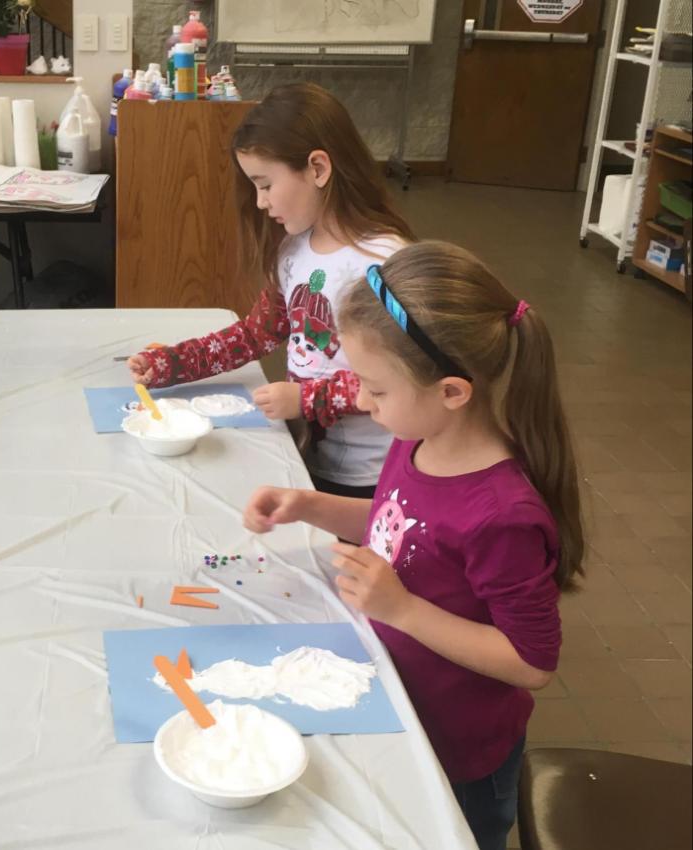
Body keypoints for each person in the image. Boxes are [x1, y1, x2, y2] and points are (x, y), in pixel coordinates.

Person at [243, 241, 584, 850]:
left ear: (452, 391)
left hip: (459, 755)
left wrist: (401, 609)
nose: (361, 404)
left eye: (373, 390)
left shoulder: (501, 516)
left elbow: (533, 662)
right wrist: (312, 506)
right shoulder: (418, 437)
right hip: (398, 702)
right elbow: (396, 521)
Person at [129, 82, 415, 499]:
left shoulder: (383, 264)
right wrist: (173, 364)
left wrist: (305, 399)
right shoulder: (294, 249)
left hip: (376, 475)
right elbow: (255, 333)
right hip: (310, 455)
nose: (261, 202)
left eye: (265, 184)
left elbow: (406, 381)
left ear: (317, 169)